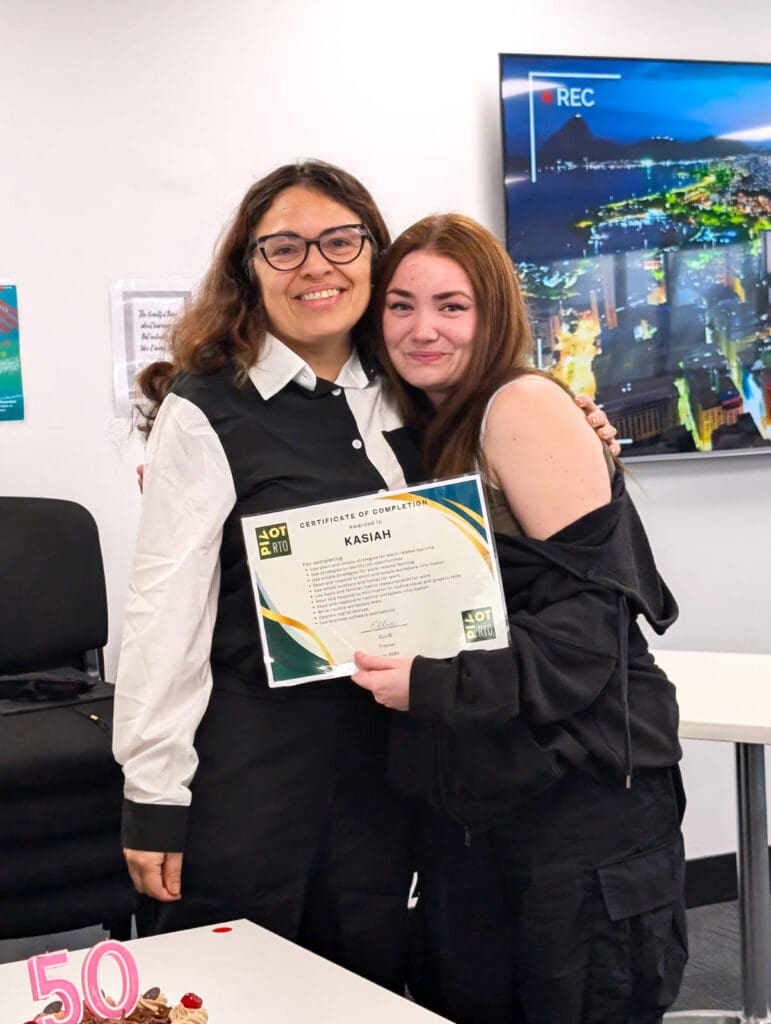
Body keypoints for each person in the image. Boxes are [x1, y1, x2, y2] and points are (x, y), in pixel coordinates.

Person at [113, 161, 618, 992]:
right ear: (248, 267)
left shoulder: (414, 393)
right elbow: (163, 613)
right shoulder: (206, 409)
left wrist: (577, 425)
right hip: (253, 767)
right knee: (229, 986)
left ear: (372, 256)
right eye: (284, 247)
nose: (315, 265)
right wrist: (153, 790)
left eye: (340, 241)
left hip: (392, 763)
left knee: (364, 980)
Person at [351, 213, 687, 1023]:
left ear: (494, 312)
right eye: (400, 305)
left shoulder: (520, 405)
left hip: (578, 805)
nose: (422, 329)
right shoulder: (421, 426)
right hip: (483, 807)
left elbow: (587, 632)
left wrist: (435, 683)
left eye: (451, 306)